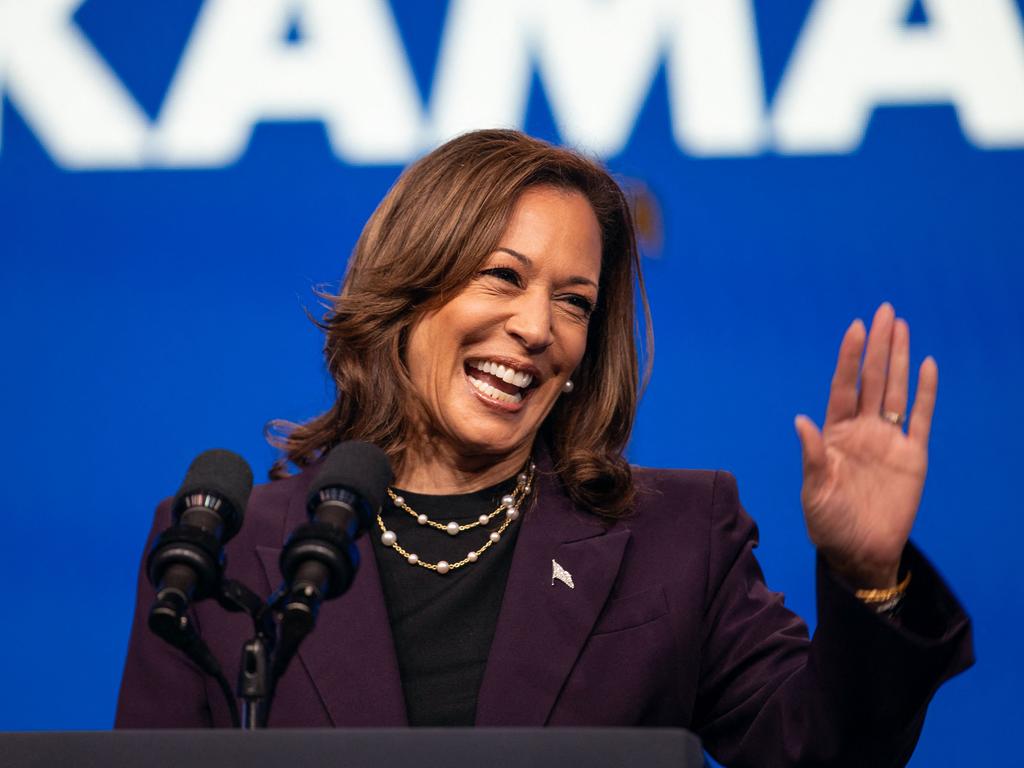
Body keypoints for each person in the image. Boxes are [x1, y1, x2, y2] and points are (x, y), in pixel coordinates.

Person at [116, 130, 973, 766]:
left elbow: (819, 757)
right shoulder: (225, 548)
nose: (536, 329)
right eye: (502, 277)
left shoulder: (678, 539)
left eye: (574, 302)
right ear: (408, 288)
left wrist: (869, 578)